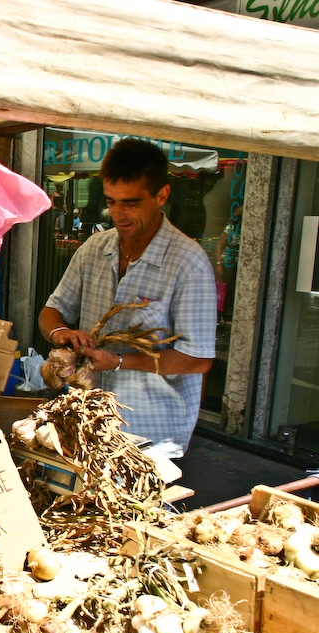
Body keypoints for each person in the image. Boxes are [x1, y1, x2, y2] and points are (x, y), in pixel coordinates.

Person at [39, 138, 216, 458]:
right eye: (112, 201)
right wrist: (60, 333)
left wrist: (119, 362)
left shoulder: (188, 262)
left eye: (131, 203)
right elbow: (52, 309)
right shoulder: (94, 249)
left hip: (150, 433)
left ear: (162, 195)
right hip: (88, 421)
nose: (119, 213)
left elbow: (198, 358)